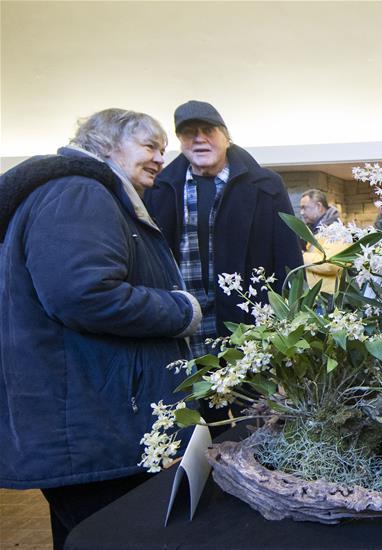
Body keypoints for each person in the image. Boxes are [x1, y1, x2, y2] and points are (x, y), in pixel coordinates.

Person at [0, 109, 202, 550]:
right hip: (92, 424)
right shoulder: (79, 192)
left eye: (162, 151)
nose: (158, 160)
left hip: (87, 421)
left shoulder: (80, 192)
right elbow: (84, 295)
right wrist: (181, 309)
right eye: (150, 146)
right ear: (106, 144)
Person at [144, 100, 302, 361]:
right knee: (188, 399)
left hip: (250, 323)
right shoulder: (158, 189)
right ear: (180, 142)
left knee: (252, 401)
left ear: (226, 137)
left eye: (208, 130)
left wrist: (292, 325)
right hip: (182, 324)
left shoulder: (267, 186)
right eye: (189, 133)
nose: (199, 139)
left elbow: (289, 261)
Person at [298, 189, 345, 295]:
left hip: (330, 297)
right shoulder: (311, 230)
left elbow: (331, 263)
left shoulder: (336, 230)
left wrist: (301, 256)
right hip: (318, 294)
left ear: (319, 207)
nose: (301, 212)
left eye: (304, 207)